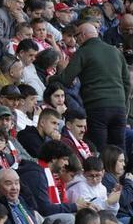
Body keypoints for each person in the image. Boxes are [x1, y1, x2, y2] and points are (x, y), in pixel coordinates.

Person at [49, 21, 130, 151]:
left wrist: (51, 78)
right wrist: (122, 103)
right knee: (119, 148)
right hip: (118, 107)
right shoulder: (115, 51)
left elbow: (66, 79)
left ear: (83, 35)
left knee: (98, 148)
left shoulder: (83, 52)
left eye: (76, 36)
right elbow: (126, 82)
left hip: (96, 106)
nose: (76, 40)